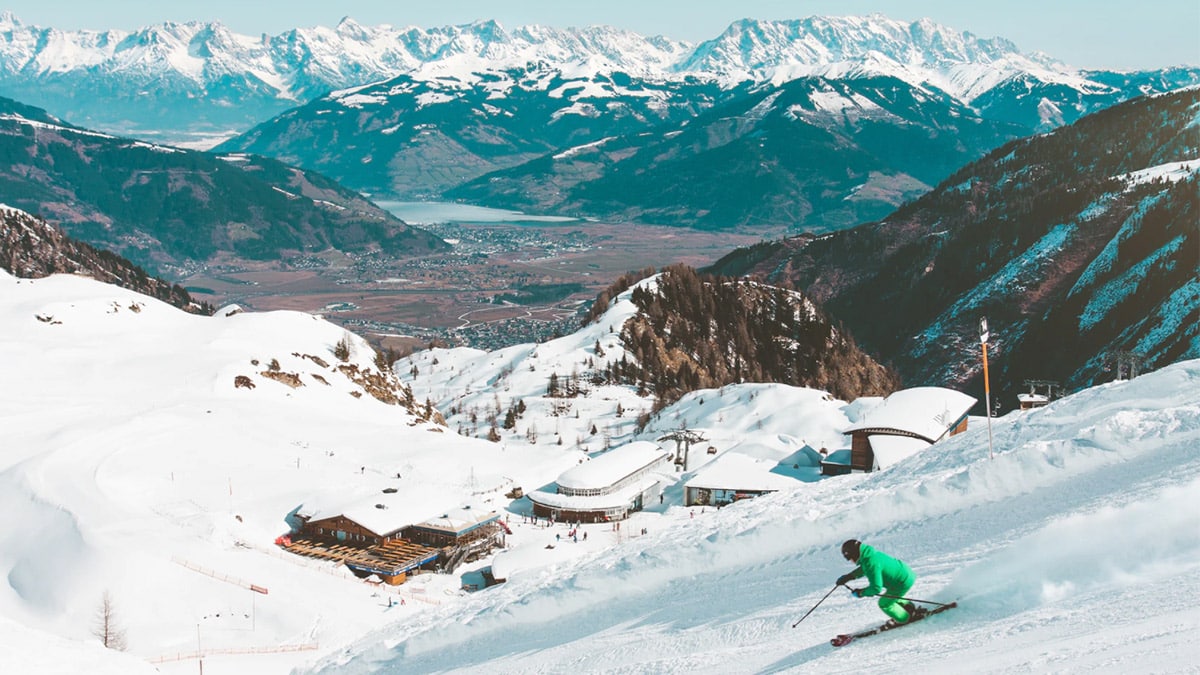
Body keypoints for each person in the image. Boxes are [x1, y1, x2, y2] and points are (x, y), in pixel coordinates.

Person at [836, 539, 919, 626]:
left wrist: (861, 593)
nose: (851, 561)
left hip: (902, 582)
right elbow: (865, 568)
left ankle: (904, 618)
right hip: (905, 574)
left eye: (850, 558)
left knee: (884, 603)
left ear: (855, 554)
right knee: (891, 596)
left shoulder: (871, 563)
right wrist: (849, 576)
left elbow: (876, 588)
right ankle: (908, 607)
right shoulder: (869, 555)